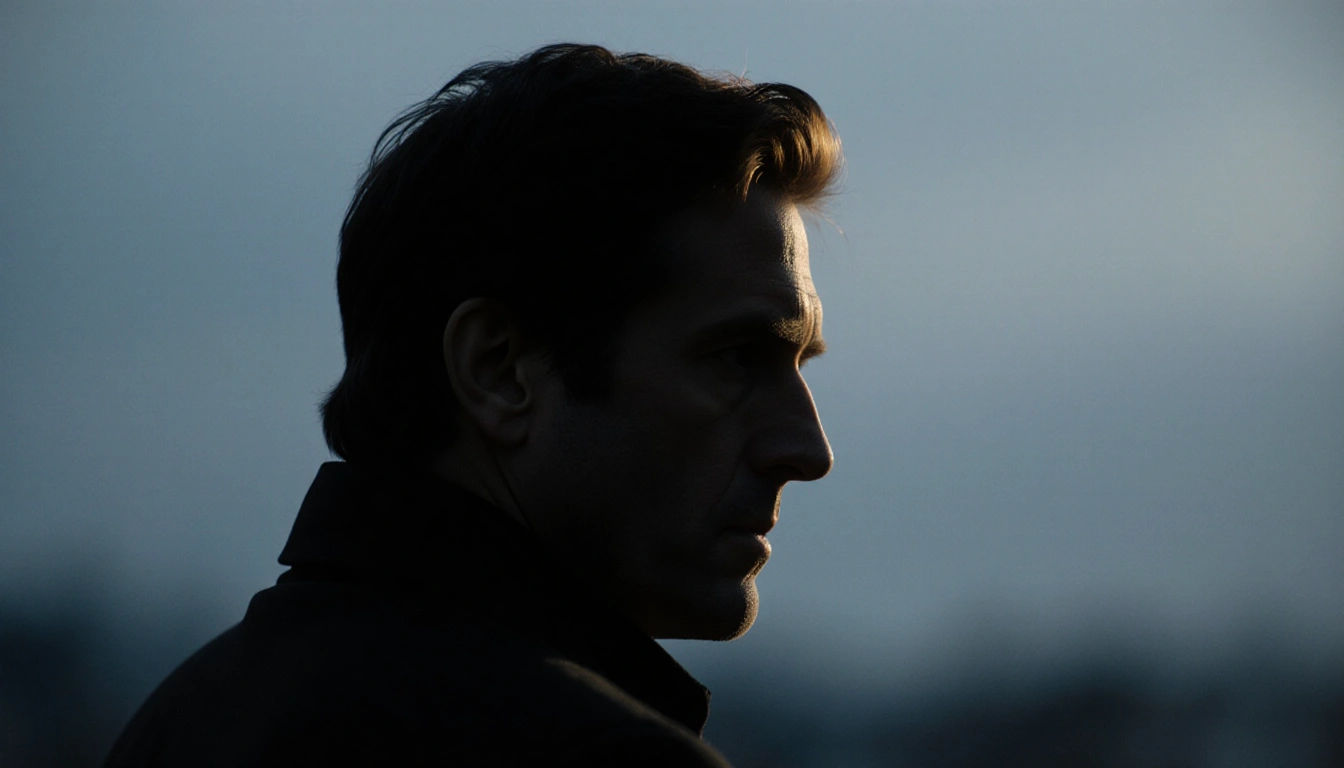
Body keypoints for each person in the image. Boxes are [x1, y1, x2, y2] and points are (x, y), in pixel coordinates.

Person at [105, 42, 842, 766]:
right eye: (739, 359)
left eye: (800, 366)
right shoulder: (594, 754)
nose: (808, 451)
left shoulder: (177, 724)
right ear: (498, 372)